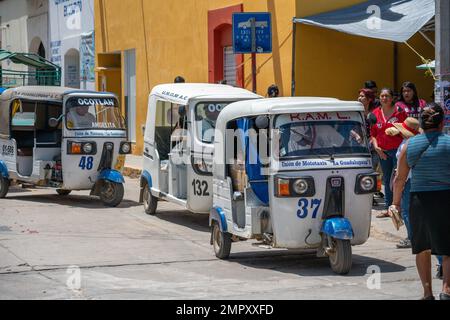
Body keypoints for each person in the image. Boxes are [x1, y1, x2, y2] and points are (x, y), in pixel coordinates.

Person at [391, 103, 450, 300]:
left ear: (422, 125)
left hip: (419, 200)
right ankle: (446, 290)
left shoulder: (410, 145)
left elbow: (400, 178)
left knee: (422, 248)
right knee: (448, 247)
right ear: (442, 123)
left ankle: (427, 293)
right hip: (445, 198)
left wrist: (395, 203)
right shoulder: (449, 142)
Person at [385, 117, 421, 249]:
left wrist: (395, 201)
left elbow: (401, 175)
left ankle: (412, 237)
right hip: (417, 179)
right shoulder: (417, 142)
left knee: (406, 210)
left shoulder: (406, 145)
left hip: (407, 179)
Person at [370, 88, 407, 217]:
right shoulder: (374, 113)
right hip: (383, 152)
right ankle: (388, 208)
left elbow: (407, 130)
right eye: (382, 96)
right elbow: (372, 134)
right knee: (386, 179)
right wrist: (377, 148)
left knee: (398, 178)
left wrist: (399, 132)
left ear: (392, 98)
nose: (384, 98)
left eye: (387, 96)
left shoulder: (400, 113)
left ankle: (400, 207)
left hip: (398, 151)